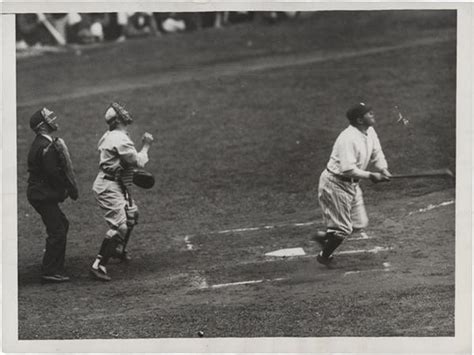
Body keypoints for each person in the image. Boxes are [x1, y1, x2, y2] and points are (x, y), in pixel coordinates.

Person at [313, 102, 391, 266]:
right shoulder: (348, 138)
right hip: (335, 184)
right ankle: (324, 256)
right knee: (343, 229)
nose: (373, 115)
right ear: (359, 120)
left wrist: (383, 169)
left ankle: (324, 237)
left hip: (352, 185)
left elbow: (377, 152)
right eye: (369, 113)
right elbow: (347, 169)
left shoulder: (370, 131)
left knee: (359, 223)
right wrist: (371, 175)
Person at [90, 102, 154, 281]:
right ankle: (98, 265)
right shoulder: (119, 139)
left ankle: (118, 249)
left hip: (117, 182)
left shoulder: (111, 135)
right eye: (121, 113)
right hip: (109, 187)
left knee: (133, 215)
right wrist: (147, 145)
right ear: (117, 120)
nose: (126, 113)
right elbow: (139, 162)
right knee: (120, 226)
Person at [27, 107, 78, 283]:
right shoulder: (45, 146)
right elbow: (53, 173)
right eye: (49, 118)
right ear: (42, 127)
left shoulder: (41, 143)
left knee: (61, 224)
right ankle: (50, 270)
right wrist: (65, 190)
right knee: (57, 230)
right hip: (42, 196)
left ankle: (56, 266)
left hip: (40, 194)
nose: (53, 120)